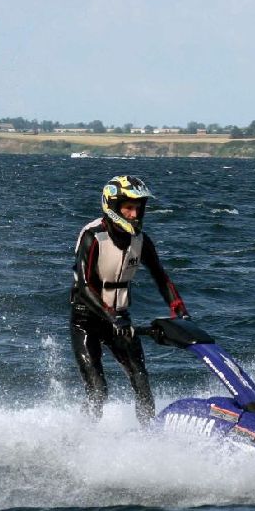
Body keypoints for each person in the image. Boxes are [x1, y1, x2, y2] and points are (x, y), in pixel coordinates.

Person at [70, 175, 190, 423]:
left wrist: (179, 309)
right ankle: (81, 439)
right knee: (98, 390)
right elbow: (83, 287)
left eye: (139, 208)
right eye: (129, 208)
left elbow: (161, 276)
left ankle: (148, 437)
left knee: (141, 380)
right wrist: (111, 317)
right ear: (112, 207)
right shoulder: (93, 237)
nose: (135, 215)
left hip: (120, 319)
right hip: (86, 320)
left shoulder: (142, 241)